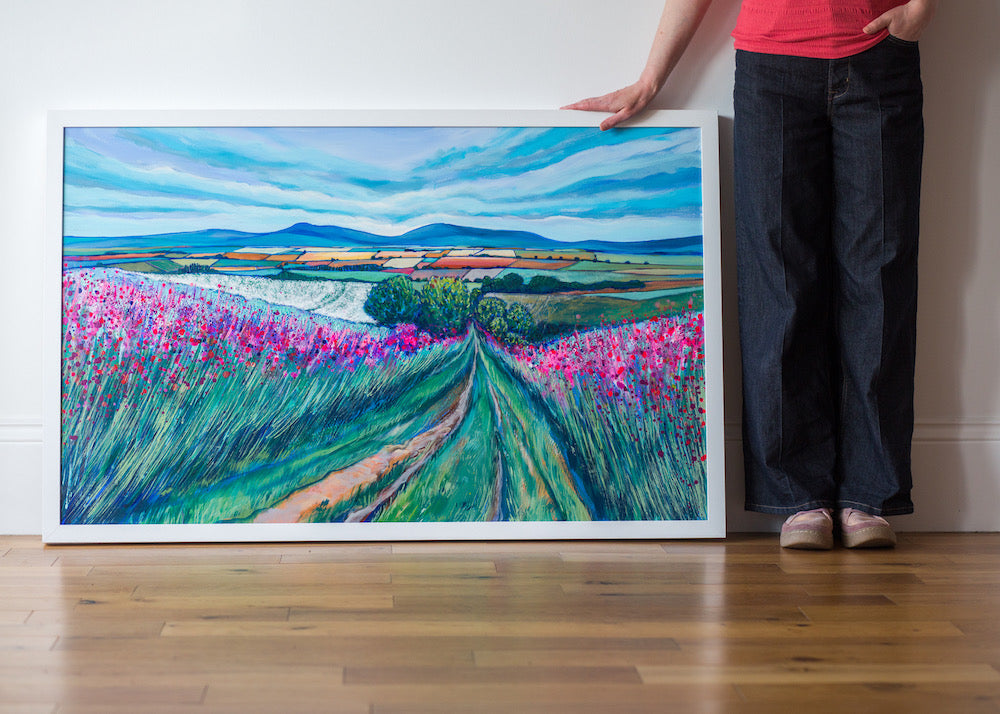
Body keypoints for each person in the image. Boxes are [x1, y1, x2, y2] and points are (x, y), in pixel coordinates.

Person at [565, 0, 937, 549]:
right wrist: (650, 80)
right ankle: (797, 494)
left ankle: (869, 493)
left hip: (881, 58)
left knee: (879, 275)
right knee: (780, 281)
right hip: (770, 69)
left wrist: (924, 8)